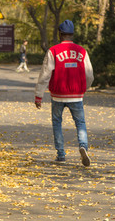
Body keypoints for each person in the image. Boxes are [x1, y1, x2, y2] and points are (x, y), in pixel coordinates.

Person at [34, 20, 94, 167]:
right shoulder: (82, 51)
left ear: (60, 34)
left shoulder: (53, 51)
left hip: (58, 95)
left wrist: (38, 95)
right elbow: (90, 74)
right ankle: (83, 146)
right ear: (72, 34)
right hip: (76, 95)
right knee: (80, 123)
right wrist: (83, 88)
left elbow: (45, 74)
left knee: (57, 123)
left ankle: (61, 155)